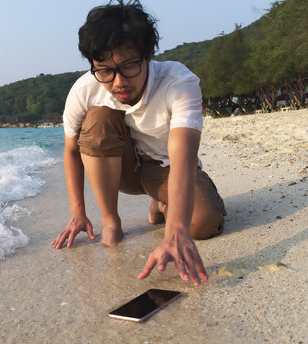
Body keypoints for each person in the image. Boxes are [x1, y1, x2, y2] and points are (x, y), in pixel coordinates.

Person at [52, 0, 226, 286]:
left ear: (148, 55)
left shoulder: (179, 82)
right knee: (98, 118)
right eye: (105, 70)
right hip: (123, 168)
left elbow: (183, 153)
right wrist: (78, 213)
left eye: (129, 66)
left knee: (203, 224)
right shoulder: (85, 89)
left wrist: (177, 231)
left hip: (165, 167)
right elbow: (72, 151)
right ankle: (112, 221)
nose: (118, 82)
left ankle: (161, 202)